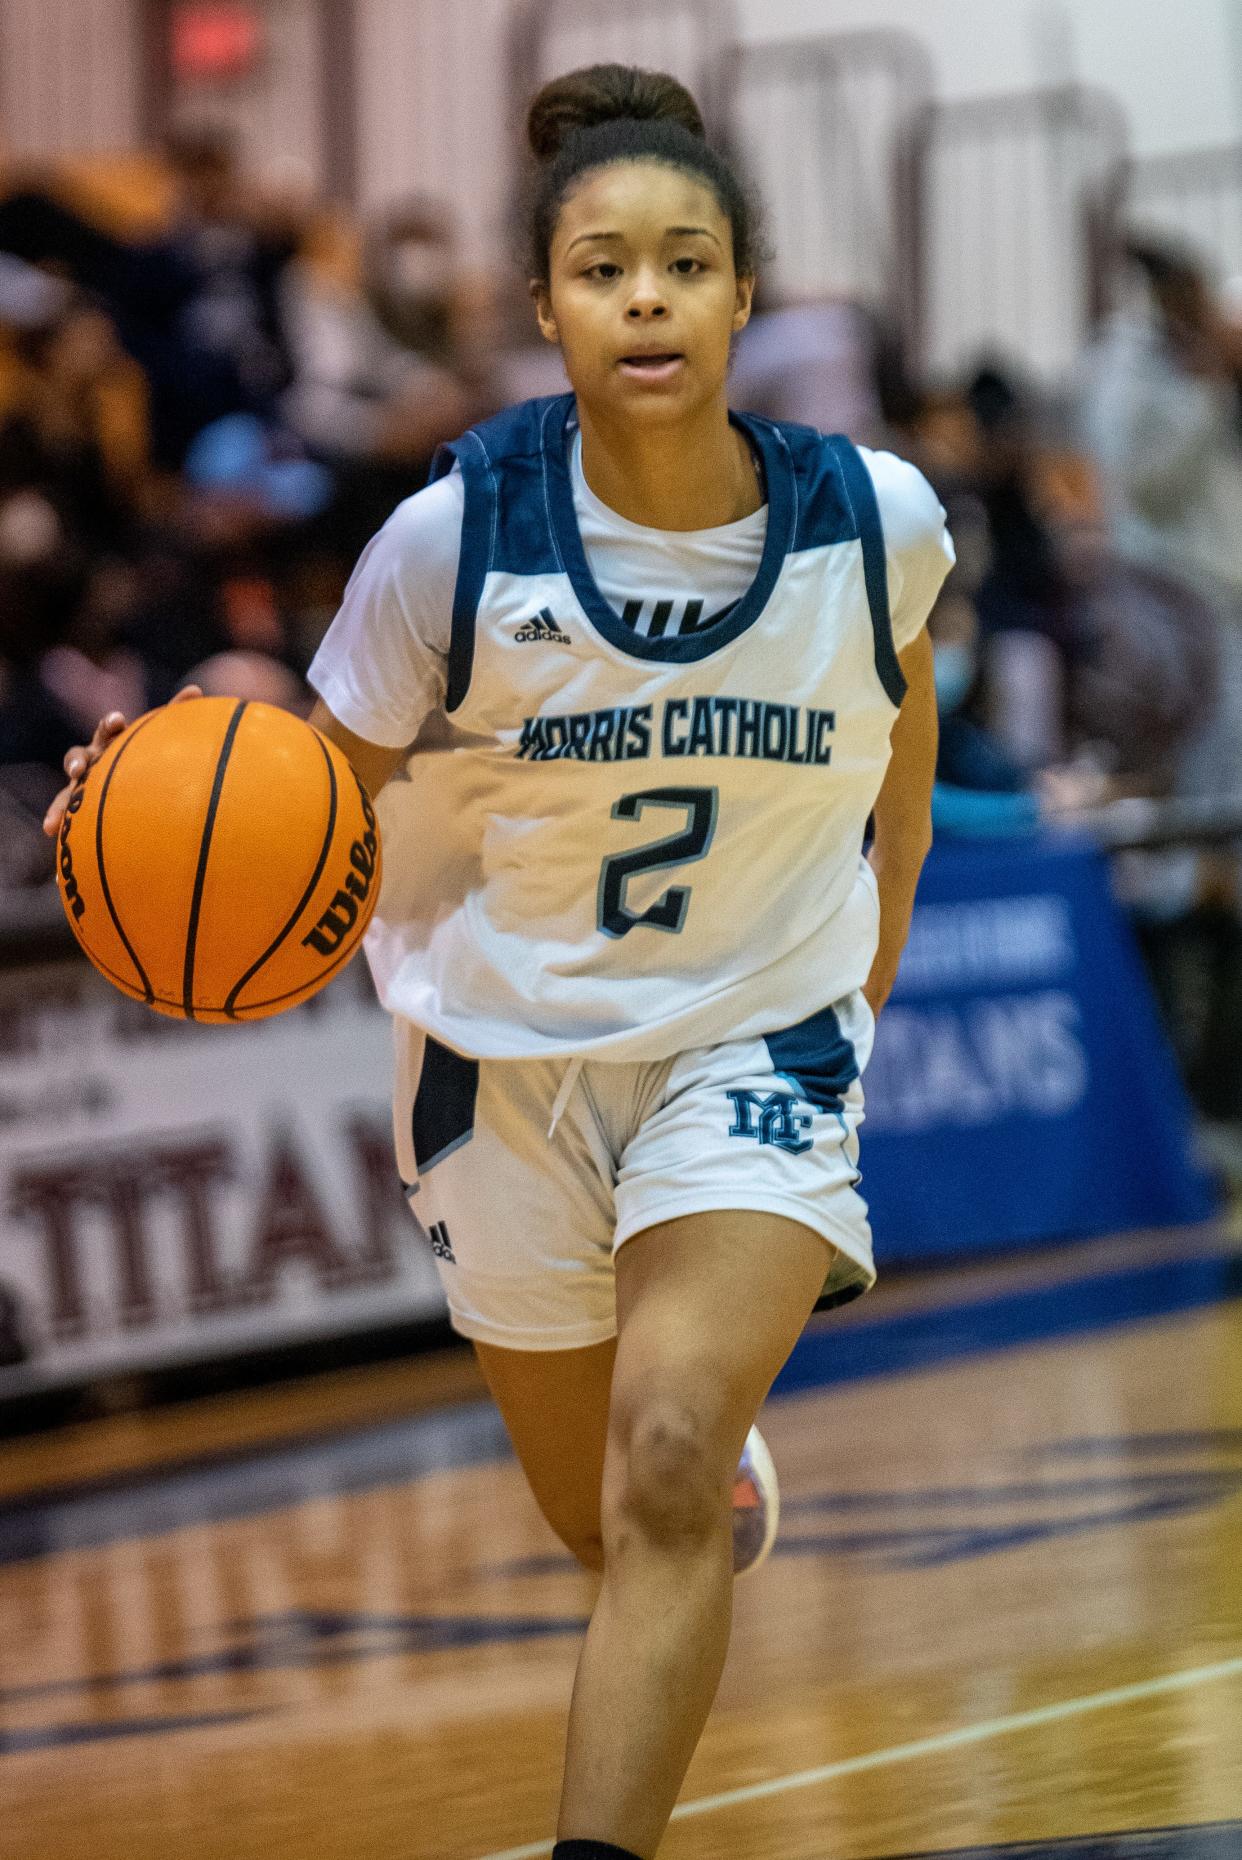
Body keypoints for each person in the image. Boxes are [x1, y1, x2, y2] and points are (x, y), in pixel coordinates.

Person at [45, 65, 952, 1860]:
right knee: (599, 1515)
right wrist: (140, 799)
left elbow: (896, 786)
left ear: (740, 296)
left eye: (683, 264)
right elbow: (296, 798)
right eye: (602, 267)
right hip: (496, 1054)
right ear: (541, 309)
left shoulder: (879, 523)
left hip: (752, 1043)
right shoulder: (448, 546)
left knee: (669, 1457)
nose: (645, 297)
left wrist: (854, 1005)